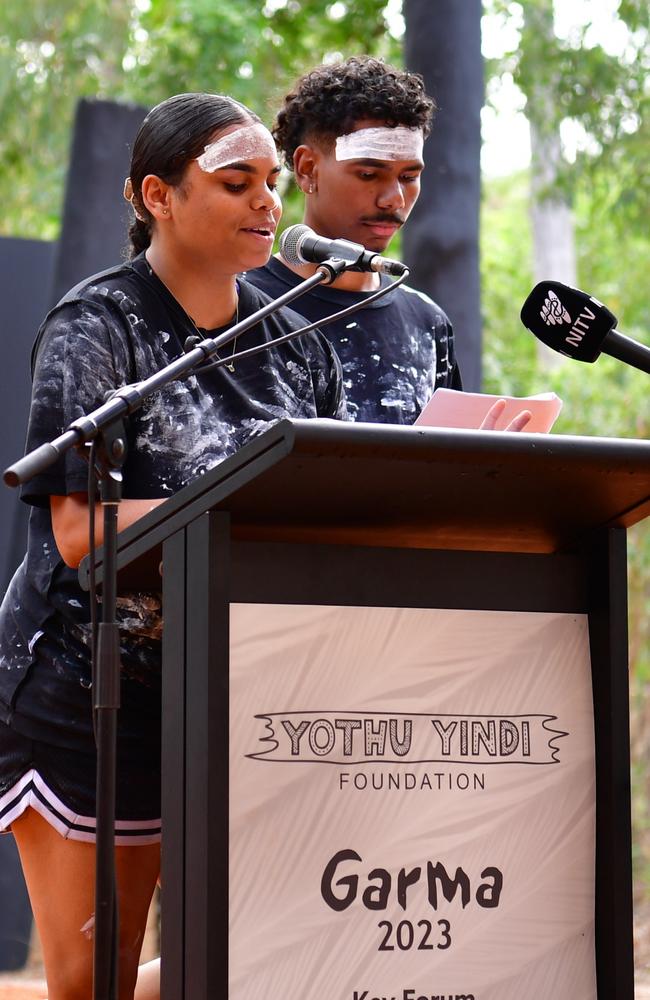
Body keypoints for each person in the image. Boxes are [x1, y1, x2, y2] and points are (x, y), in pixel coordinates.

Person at [0, 91, 344, 1000]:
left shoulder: (297, 339)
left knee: (243, 957)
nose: (269, 204)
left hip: (243, 698)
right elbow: (77, 532)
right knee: (91, 980)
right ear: (157, 194)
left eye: (272, 183)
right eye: (237, 183)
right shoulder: (99, 326)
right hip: (91, 690)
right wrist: (227, 506)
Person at [247, 55, 462, 425]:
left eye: (409, 177)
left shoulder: (428, 323)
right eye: (368, 174)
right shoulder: (238, 307)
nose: (393, 199)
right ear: (307, 169)